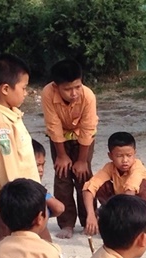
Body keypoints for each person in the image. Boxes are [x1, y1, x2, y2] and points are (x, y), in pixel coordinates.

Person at [0, 53, 51, 255]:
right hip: (15, 207)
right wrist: (23, 207)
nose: (26, 93)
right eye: (23, 87)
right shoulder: (0, 124)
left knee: (43, 251)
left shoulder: (11, 114)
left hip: (28, 201)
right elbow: (8, 170)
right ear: (5, 89)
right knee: (14, 257)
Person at [41, 59, 98, 239]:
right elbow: (53, 126)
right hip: (59, 140)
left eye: (77, 87)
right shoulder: (47, 94)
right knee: (62, 177)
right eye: (68, 89)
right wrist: (62, 155)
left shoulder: (88, 96)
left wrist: (82, 160)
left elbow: (88, 129)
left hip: (83, 140)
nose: (74, 93)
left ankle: (89, 218)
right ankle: (66, 223)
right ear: (56, 86)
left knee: (84, 176)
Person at [82, 132, 146, 237]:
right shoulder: (109, 168)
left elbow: (130, 191)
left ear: (134, 153)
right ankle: (114, 220)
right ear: (110, 156)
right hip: (123, 205)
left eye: (129, 155)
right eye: (119, 156)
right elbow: (89, 188)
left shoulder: (138, 167)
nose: (125, 160)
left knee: (142, 186)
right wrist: (90, 215)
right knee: (101, 185)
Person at [32, 139, 65, 218]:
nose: (41, 170)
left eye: (42, 165)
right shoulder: (35, 189)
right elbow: (59, 208)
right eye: (37, 165)